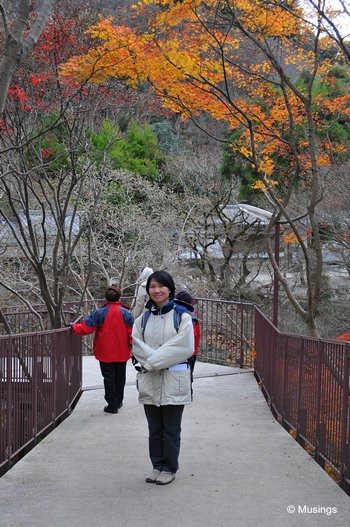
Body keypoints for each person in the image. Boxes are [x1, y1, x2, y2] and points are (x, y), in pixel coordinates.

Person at [132, 270, 194, 485]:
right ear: (148, 290)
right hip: (150, 379)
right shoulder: (142, 320)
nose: (156, 290)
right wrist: (154, 361)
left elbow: (183, 347)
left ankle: (170, 467)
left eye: (161, 286)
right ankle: (157, 465)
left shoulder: (182, 316)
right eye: (152, 286)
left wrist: (151, 362)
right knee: (154, 428)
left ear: (170, 289)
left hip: (173, 380)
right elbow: (136, 346)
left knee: (171, 428)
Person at [71, 286, 134, 414]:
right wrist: (133, 348)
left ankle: (112, 405)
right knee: (120, 377)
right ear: (119, 297)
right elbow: (132, 334)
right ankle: (119, 401)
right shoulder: (126, 313)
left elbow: (86, 328)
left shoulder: (100, 313)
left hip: (105, 351)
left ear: (106, 297)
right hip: (122, 351)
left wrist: (74, 326)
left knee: (109, 378)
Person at [174, 289, 201, 382]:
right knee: (188, 375)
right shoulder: (193, 315)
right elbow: (196, 335)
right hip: (192, 351)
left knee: (183, 377)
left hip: (185, 351)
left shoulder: (182, 315)